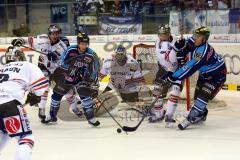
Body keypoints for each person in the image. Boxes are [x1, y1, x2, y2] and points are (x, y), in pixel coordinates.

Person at [11, 25, 81, 123]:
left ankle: (74, 108)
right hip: (43, 67)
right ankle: (42, 109)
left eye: (56, 33)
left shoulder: (63, 46)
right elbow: (28, 40)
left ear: (59, 34)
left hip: (57, 70)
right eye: (52, 33)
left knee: (66, 91)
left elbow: (67, 61)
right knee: (44, 88)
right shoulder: (41, 39)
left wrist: (56, 56)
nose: (54, 35)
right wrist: (19, 40)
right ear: (49, 34)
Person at [161, 26, 227, 130]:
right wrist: (180, 47)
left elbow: (189, 68)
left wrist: (173, 77)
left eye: (198, 36)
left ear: (204, 39)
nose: (195, 38)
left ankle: (192, 117)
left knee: (202, 97)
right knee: (197, 97)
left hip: (217, 76)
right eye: (195, 35)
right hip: (204, 75)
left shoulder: (202, 52)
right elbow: (186, 44)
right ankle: (202, 114)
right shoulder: (196, 41)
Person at [0, 46, 48, 160]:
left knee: (4, 133)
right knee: (26, 138)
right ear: (21, 57)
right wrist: (36, 95)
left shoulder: (1, 69)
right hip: (9, 104)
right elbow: (41, 86)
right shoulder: (26, 65)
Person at [45, 32, 100, 126]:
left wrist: (89, 79)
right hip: (67, 75)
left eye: (86, 44)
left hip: (81, 78)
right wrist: (69, 69)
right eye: (82, 44)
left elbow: (94, 70)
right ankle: (52, 116)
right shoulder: (70, 50)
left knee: (85, 95)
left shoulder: (91, 54)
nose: (84, 46)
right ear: (78, 43)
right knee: (57, 94)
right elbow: (62, 62)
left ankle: (91, 118)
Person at [149, 25, 183, 124]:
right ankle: (159, 114)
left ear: (169, 34)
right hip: (163, 69)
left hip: (177, 70)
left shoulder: (176, 41)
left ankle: (169, 115)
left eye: (164, 34)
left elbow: (181, 56)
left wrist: (182, 46)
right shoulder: (157, 42)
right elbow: (164, 58)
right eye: (160, 34)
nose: (162, 36)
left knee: (175, 91)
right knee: (156, 91)